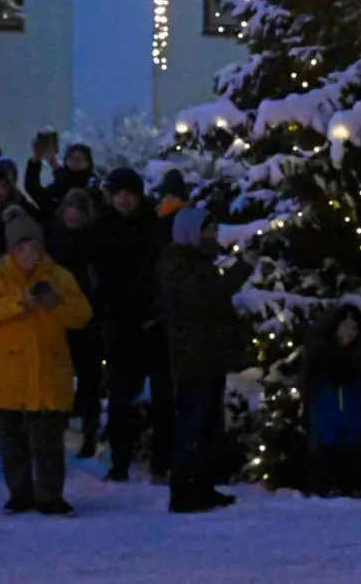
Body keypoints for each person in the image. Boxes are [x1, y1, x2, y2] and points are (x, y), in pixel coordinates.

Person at [0, 206, 92, 515]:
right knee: (13, 439)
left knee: (48, 439)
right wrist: (18, 304)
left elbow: (82, 315)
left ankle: (50, 495)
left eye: (33, 246)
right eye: (21, 246)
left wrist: (54, 305)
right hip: (7, 371)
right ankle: (20, 493)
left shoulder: (59, 277)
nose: (28, 253)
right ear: (10, 248)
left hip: (45, 369)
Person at [158, 208, 252, 512]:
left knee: (209, 424)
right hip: (193, 359)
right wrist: (242, 269)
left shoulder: (198, 263)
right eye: (207, 230)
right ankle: (185, 490)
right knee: (192, 425)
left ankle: (203, 486)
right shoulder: (180, 264)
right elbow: (206, 299)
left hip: (208, 356)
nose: (212, 236)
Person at [92, 167, 171, 483]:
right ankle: (120, 461)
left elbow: (162, 270)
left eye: (128, 194)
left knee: (164, 396)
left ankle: (161, 462)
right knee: (121, 397)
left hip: (154, 322)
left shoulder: (155, 226)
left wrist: (156, 307)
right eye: (118, 195)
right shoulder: (103, 228)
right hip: (121, 322)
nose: (123, 200)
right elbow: (100, 275)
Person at [301, 303, 361, 496]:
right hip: (328, 414)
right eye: (345, 326)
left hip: (353, 415)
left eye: (354, 328)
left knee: (352, 445)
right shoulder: (321, 353)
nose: (350, 333)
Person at [47, 189, 102, 459]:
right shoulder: (54, 238)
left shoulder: (94, 240)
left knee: (89, 376)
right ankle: (58, 428)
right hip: (58, 313)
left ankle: (88, 433)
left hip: (87, 314)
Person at [27, 142, 98, 220]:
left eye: (79, 158)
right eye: (71, 157)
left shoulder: (92, 180)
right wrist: (36, 158)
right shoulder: (60, 182)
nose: (74, 161)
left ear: (87, 163)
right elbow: (33, 188)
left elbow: (75, 188)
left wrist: (55, 166)